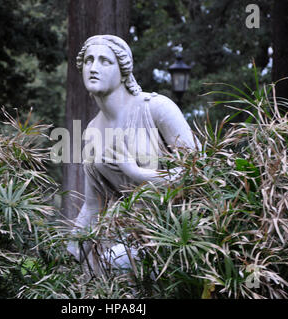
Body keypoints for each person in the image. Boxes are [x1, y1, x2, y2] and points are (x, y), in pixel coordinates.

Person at [67, 35, 200, 273]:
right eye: (88, 60)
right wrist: (69, 255)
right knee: (89, 269)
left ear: (124, 70)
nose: (93, 68)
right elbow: (92, 205)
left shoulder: (156, 108)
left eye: (104, 61)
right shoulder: (92, 131)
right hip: (122, 231)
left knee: (114, 262)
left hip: (173, 232)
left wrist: (135, 173)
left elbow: (198, 174)